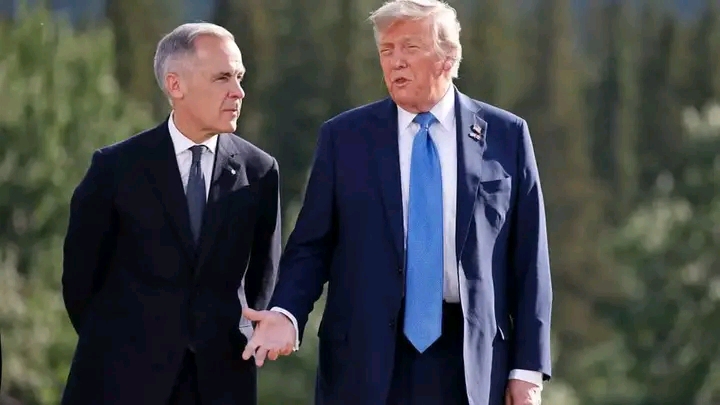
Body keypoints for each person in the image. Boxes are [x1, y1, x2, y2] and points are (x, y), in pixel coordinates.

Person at [242, 1, 552, 404]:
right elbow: (311, 246)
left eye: (410, 48)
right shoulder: (345, 138)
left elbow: (529, 260)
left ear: (448, 57)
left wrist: (527, 369)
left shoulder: (506, 135)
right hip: (365, 361)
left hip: (471, 365)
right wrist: (286, 314)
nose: (395, 61)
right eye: (387, 51)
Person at [60, 22, 281, 405]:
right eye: (223, 77)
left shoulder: (260, 172)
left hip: (221, 386)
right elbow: (80, 282)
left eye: (240, 77)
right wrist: (122, 347)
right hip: (119, 384)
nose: (238, 92)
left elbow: (263, 280)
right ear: (175, 85)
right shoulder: (114, 169)